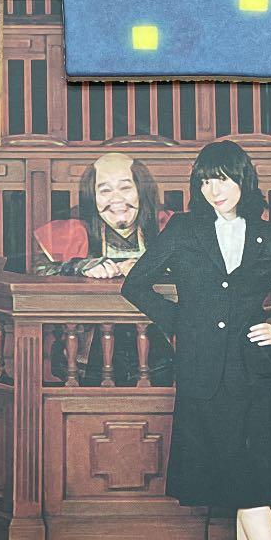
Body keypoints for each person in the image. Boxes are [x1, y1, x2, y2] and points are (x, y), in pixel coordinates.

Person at [121, 140, 271, 540]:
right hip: (204, 373)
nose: (215, 190)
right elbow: (135, 285)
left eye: (223, 180)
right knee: (247, 483)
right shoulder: (183, 229)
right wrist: (182, 322)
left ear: (243, 181)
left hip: (256, 373)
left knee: (251, 481)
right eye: (206, 181)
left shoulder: (270, 236)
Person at [33, 152, 173, 386]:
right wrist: (82, 266)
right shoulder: (74, 228)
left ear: (141, 190)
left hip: (158, 346)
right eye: (105, 190)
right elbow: (39, 270)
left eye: (125, 188)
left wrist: (149, 267)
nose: (116, 200)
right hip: (90, 350)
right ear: (92, 196)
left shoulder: (166, 224)